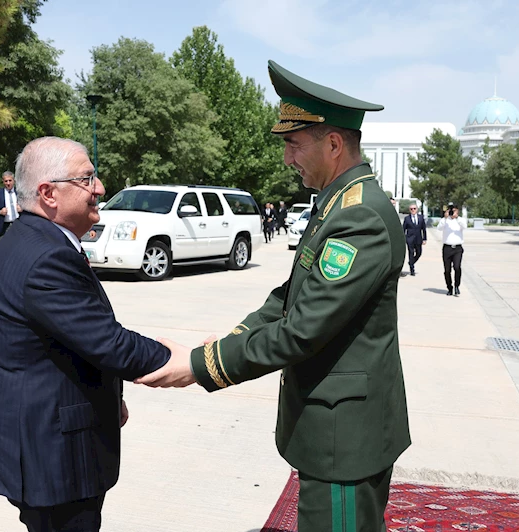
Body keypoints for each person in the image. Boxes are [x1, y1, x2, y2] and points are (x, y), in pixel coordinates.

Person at [137, 60, 410, 532]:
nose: (286, 158)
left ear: (332, 143)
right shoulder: (336, 204)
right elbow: (288, 296)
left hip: (343, 439)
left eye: (293, 144)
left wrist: (204, 364)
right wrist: (229, 340)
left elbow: (303, 330)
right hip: (332, 428)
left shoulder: (359, 216)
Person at [0, 137, 171, 532]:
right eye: (86, 179)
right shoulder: (46, 256)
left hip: (44, 440)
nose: (99, 188)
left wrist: (111, 395)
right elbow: (107, 341)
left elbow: (72, 340)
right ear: (48, 193)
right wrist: (192, 361)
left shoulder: (31, 240)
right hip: (53, 452)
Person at [438, 202, 466, 296]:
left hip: (457, 247)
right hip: (447, 247)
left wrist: (456, 217)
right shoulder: (445, 220)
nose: (452, 212)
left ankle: (457, 285)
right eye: (451, 210)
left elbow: (464, 226)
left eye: (454, 210)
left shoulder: (460, 220)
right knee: (447, 270)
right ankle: (449, 288)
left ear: (457, 211)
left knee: (457, 267)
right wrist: (445, 218)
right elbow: (439, 228)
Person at [402, 203, 427, 276]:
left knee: (419, 253)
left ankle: (411, 262)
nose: (413, 210)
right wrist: (403, 238)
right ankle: (412, 269)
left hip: (418, 239)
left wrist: (424, 239)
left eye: (414, 208)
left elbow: (424, 229)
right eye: (411, 209)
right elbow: (403, 229)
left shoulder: (421, 218)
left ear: (417, 209)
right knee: (411, 253)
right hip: (410, 239)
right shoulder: (407, 218)